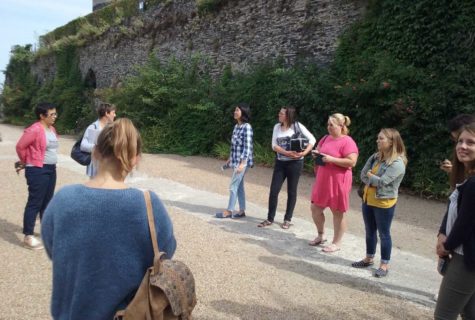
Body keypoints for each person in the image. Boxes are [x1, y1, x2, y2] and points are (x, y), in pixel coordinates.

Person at [41, 118, 176, 319]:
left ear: (95, 152)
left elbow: (55, 250)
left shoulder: (63, 199)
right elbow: (165, 254)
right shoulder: (148, 204)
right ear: (135, 159)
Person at [351, 128, 407, 277]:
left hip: (384, 203)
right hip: (368, 199)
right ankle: (369, 258)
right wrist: (372, 177)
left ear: (391, 142)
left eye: (381, 139)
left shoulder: (398, 163)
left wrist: (372, 177)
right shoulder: (376, 156)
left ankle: (384, 265)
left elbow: (383, 182)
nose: (377, 141)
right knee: (369, 230)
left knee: (384, 234)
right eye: (378, 138)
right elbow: (363, 174)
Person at [434, 122, 475, 319]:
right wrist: (442, 232)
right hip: (465, 255)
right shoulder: (468, 177)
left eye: (471, 142)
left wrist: (446, 246)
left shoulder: (474, 183)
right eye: (460, 141)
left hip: (465, 258)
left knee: (443, 316)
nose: (463, 146)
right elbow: (454, 211)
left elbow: (465, 224)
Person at [258, 106, 316, 229]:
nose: (279, 115)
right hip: (281, 162)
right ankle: (270, 218)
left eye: (281, 113)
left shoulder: (297, 126)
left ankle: (287, 219)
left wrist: (304, 153)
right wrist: (286, 153)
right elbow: (274, 145)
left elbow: (312, 139)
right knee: (274, 190)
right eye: (279, 113)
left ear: (288, 115)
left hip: (295, 163)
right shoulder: (277, 127)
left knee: (292, 191)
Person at [309, 113, 358, 253]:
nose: (328, 127)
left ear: (341, 126)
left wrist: (331, 159)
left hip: (338, 181)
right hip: (323, 179)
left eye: (332, 125)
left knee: (337, 212)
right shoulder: (325, 138)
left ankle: (336, 242)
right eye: (328, 124)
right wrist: (316, 154)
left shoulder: (347, 141)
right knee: (315, 208)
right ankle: (321, 235)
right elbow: (319, 151)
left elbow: (352, 162)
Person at [15, 102, 59, 250]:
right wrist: (25, 161)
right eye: (52, 114)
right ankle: (28, 235)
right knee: (35, 202)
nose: (55, 117)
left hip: (51, 169)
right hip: (37, 169)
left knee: (47, 202)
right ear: (42, 116)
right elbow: (20, 146)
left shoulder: (52, 129)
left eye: (55, 114)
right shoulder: (34, 129)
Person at [216, 103, 254, 219]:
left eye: (237, 110)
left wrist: (242, 164)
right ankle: (242, 211)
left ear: (243, 112)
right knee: (239, 186)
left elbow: (247, 147)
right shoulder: (236, 127)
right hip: (235, 160)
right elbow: (234, 146)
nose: (235, 112)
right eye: (235, 110)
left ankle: (229, 211)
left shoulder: (247, 127)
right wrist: (230, 158)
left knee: (233, 186)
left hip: (242, 162)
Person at [80, 102, 117, 177]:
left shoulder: (111, 128)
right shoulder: (93, 127)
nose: (115, 115)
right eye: (113, 113)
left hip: (109, 167)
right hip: (96, 169)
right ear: (107, 113)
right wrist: (97, 147)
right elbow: (83, 145)